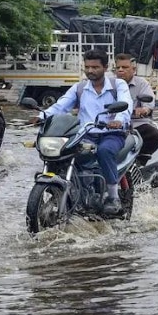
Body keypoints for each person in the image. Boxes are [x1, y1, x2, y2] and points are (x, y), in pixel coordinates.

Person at [35, 50, 132, 215]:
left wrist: (119, 120)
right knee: (63, 153)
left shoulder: (118, 85)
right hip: (85, 134)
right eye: (87, 67)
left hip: (111, 133)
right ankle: (71, 189)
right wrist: (41, 116)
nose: (90, 71)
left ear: (106, 67)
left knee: (105, 151)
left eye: (95, 67)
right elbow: (61, 106)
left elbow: (126, 104)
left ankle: (113, 197)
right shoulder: (79, 88)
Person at [115, 53, 158, 165]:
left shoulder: (141, 83)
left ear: (133, 69)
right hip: (113, 125)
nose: (121, 70)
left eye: (125, 67)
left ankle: (140, 161)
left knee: (157, 136)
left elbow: (149, 103)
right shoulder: (109, 84)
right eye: (118, 68)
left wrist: (144, 110)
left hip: (136, 124)